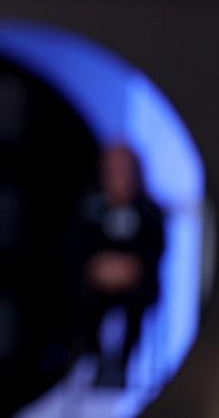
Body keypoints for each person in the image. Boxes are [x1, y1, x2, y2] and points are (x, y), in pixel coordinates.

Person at [69, 143, 165, 389]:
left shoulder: (149, 210)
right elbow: (78, 246)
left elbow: (156, 250)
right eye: (112, 167)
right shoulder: (90, 208)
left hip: (136, 286)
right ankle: (89, 360)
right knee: (82, 295)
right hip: (95, 284)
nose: (117, 173)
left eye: (123, 168)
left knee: (137, 299)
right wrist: (98, 268)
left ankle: (125, 364)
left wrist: (129, 269)